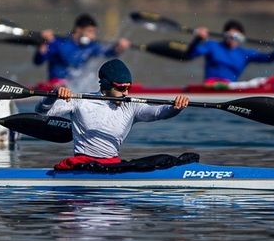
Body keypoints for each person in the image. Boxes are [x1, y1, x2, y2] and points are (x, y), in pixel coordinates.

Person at [36, 58, 189, 170]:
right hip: (83, 166)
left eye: (129, 88)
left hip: (112, 165)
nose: (126, 93)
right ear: (108, 85)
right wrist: (54, 94)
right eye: (122, 89)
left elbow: (158, 112)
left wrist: (175, 108)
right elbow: (42, 111)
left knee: (164, 160)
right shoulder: (81, 101)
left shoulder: (131, 106)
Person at [33, 13, 130, 87]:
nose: (93, 36)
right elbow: (38, 61)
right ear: (78, 29)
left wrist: (119, 47)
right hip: (56, 85)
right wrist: (44, 42)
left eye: (94, 32)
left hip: (77, 85)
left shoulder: (91, 46)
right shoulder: (58, 43)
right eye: (90, 32)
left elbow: (108, 53)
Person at [184, 19, 274, 84]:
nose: (232, 39)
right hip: (210, 86)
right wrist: (197, 39)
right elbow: (190, 54)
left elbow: (267, 59)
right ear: (224, 35)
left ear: (241, 38)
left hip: (231, 87)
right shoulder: (212, 46)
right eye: (229, 36)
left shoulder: (245, 54)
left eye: (235, 37)